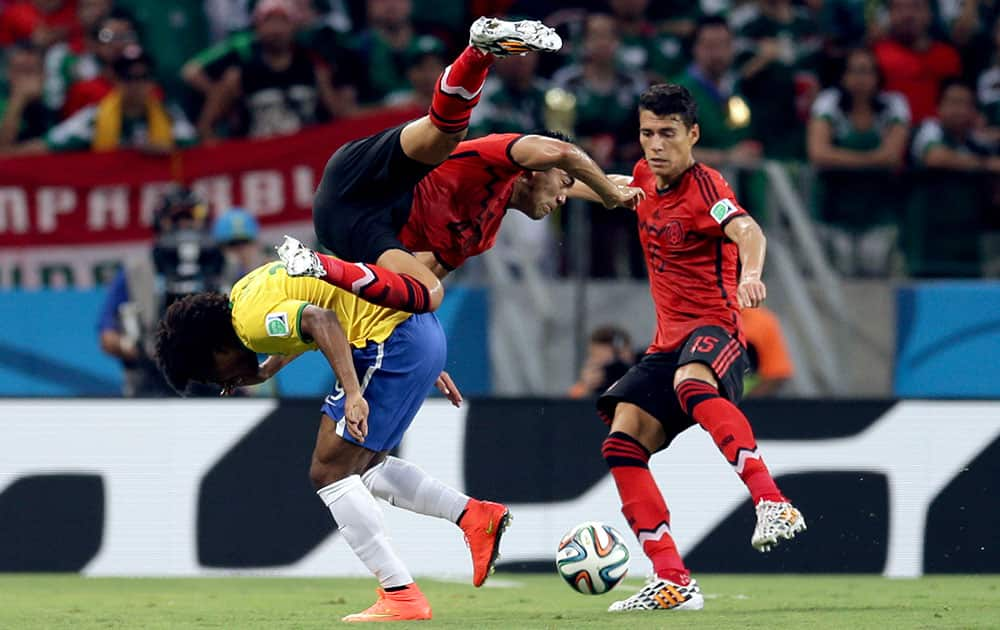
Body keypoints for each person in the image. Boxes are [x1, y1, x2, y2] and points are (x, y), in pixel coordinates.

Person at [154, 259, 510, 622]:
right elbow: (318, 312)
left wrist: (354, 393)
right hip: (412, 329)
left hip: (393, 341)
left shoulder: (248, 326)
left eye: (212, 375)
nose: (222, 384)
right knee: (364, 467)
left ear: (215, 349)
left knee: (328, 471)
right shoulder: (246, 294)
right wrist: (265, 371)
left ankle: (400, 594)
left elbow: (321, 320)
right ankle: (474, 516)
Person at [579, 84, 806, 612]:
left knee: (691, 382)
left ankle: (773, 502)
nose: (656, 145)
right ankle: (673, 580)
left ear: (693, 135)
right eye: (647, 133)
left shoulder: (707, 187)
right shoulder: (642, 176)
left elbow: (747, 229)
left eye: (668, 134)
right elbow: (616, 187)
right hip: (666, 344)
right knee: (622, 441)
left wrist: (751, 273)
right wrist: (556, 180)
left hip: (717, 330)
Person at [277, 16, 642, 314]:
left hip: (353, 226)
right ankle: (479, 52)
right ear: (532, 172)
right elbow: (562, 153)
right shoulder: (497, 157)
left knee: (429, 295)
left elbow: (424, 271)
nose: (563, 198)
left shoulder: (480, 234)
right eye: (562, 185)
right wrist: (609, 192)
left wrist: (640, 188)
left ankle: (316, 266)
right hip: (367, 179)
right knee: (445, 136)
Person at [98, 186, 222, 397]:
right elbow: (107, 335)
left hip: (219, 379)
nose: (183, 224)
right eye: (176, 217)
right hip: (152, 382)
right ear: (161, 221)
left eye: (190, 217)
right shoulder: (138, 270)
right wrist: (135, 350)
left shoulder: (225, 265)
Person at [4, 45, 197, 155]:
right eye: (128, 77)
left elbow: (201, 152)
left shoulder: (169, 115)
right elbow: (46, 146)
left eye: (144, 77)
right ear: (115, 81)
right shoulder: (93, 118)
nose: (136, 85)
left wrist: (169, 151)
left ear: (152, 82)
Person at [568, 325, 635, 399]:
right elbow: (570, 407)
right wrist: (586, 388)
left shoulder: (643, 380)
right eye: (598, 357)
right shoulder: (582, 387)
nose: (609, 370)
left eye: (613, 361)